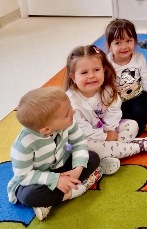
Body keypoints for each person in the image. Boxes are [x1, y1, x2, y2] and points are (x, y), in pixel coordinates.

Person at [7, 87, 119, 221]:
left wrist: (78, 168)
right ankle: (83, 185)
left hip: (62, 166)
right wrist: (55, 180)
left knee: (93, 157)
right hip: (38, 179)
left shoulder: (69, 121)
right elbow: (23, 176)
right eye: (67, 114)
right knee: (27, 196)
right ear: (46, 129)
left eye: (70, 107)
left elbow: (79, 142)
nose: (73, 112)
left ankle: (53, 199)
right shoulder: (23, 145)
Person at [65, 45, 147, 160]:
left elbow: (114, 111)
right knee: (88, 147)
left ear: (104, 70)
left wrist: (110, 130)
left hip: (108, 131)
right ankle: (137, 147)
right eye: (84, 72)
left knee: (132, 125)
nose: (91, 76)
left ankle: (110, 154)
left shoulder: (107, 89)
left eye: (96, 70)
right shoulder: (71, 102)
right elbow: (83, 131)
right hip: (86, 137)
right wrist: (105, 136)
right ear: (73, 77)